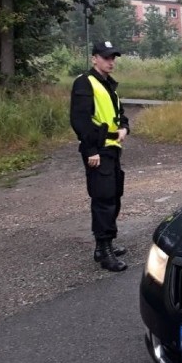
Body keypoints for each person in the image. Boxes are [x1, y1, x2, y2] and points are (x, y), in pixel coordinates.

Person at [70, 40, 129, 272]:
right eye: (106, 57)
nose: (110, 61)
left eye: (113, 57)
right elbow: (80, 120)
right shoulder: (85, 83)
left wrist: (124, 127)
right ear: (94, 58)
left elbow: (120, 114)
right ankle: (104, 251)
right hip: (99, 150)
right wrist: (90, 150)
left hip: (113, 148)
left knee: (114, 195)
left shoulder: (108, 85)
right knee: (103, 199)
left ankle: (106, 244)